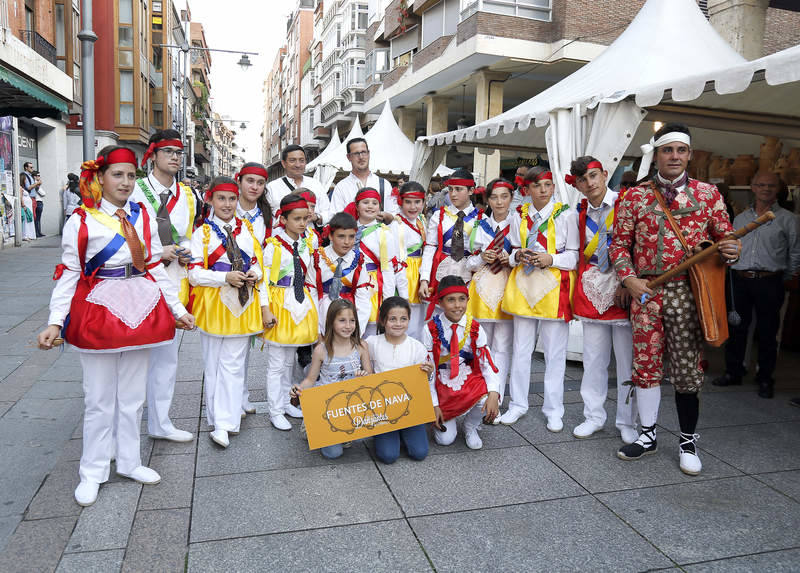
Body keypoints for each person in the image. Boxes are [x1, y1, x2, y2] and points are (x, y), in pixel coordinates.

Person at [37, 146, 194, 507]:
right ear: (100, 178)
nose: (125, 182)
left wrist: (176, 308)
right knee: (98, 400)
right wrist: (55, 321)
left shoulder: (142, 216)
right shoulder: (81, 219)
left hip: (140, 307)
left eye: (130, 175)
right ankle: (92, 471)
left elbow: (154, 265)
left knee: (133, 397)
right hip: (99, 308)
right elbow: (69, 273)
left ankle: (129, 461)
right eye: (117, 175)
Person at [610, 122, 741, 476]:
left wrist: (731, 249)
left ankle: (687, 442)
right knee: (646, 366)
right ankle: (648, 434)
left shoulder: (708, 194)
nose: (674, 156)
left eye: (681, 150)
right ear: (656, 154)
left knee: (687, 369)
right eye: (668, 150)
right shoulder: (635, 196)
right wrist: (629, 279)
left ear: (689, 155)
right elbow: (619, 244)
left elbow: (725, 238)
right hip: (646, 294)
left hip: (688, 292)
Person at [189, 177, 267, 448]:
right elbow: (194, 274)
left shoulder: (245, 228)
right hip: (214, 305)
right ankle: (217, 420)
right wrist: (224, 279)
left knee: (234, 366)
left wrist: (252, 274)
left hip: (242, 303)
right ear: (209, 199)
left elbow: (258, 262)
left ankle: (229, 420)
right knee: (213, 365)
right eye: (221, 198)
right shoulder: (202, 234)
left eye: (232, 199)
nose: (227, 204)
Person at [499, 166, 578, 431]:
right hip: (523, 285)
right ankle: (517, 404)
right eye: (537, 186)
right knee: (521, 350)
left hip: (554, 288)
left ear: (553, 187)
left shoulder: (566, 215)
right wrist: (516, 256)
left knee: (555, 353)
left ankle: (554, 409)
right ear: (527, 189)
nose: (543, 190)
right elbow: (509, 252)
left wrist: (552, 258)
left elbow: (575, 255)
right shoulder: (517, 215)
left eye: (547, 185)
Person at [132, 129, 196, 443]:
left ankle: (160, 422)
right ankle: (127, 427)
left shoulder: (186, 193)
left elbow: (189, 235)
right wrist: (159, 252)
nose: (174, 157)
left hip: (175, 280)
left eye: (178, 152)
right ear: (153, 154)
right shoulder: (136, 190)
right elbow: (126, 238)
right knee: (135, 357)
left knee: (168, 357)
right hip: (140, 280)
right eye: (168, 151)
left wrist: (187, 253)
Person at [566, 157, 637, 443]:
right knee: (593, 359)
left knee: (626, 360)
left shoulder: (626, 204)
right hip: (592, 286)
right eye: (583, 179)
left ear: (605, 174)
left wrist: (626, 281)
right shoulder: (578, 211)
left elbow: (636, 245)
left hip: (622, 286)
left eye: (594, 176)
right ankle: (593, 415)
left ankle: (627, 420)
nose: (590, 183)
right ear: (578, 185)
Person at [713, 170, 800, 398]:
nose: (766, 189)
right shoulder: (741, 218)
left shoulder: (789, 220)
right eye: (761, 185)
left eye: (771, 186)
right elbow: (730, 246)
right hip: (741, 279)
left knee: (768, 332)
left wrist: (787, 275)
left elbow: (795, 252)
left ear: (779, 190)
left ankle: (765, 378)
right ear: (753, 188)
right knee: (736, 328)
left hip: (770, 280)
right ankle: (734, 372)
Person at [261, 194, 320, 431]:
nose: (302, 223)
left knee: (288, 360)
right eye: (297, 219)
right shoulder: (273, 246)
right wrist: (265, 309)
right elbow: (264, 281)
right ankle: (274, 409)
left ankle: (286, 402)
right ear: (283, 219)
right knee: (276, 362)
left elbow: (311, 275)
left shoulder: (308, 242)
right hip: (279, 302)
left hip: (300, 302)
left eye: (306, 218)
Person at [423, 276, 501, 449]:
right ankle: (443, 415)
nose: (457, 305)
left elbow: (486, 363)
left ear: (467, 300)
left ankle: (470, 426)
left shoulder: (474, 328)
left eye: (461, 299)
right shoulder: (430, 329)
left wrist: (494, 392)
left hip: (466, 378)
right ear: (440, 303)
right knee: (445, 440)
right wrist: (433, 404)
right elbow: (428, 371)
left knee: (489, 396)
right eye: (451, 300)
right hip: (441, 382)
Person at [290, 299, 372, 459]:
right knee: (333, 453)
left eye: (352, 320)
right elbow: (310, 380)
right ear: (331, 322)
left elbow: (370, 376)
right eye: (342, 320)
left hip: (351, 403)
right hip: (328, 404)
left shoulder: (361, 346)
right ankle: (312, 426)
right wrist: (299, 389)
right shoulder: (322, 350)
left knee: (359, 437)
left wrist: (364, 377)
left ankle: (341, 432)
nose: (348, 325)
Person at [466, 178, 517, 418]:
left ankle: (497, 397)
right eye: (494, 197)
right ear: (487, 200)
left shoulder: (519, 223)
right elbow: (469, 262)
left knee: (503, 347)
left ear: (511, 198)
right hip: (482, 289)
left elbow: (523, 254)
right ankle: (479, 394)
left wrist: (513, 257)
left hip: (507, 286)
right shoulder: (479, 225)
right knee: (480, 344)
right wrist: (481, 258)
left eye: (504, 196)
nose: (499, 202)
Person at [368, 297, 433, 464]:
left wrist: (428, 373)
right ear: (383, 321)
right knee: (388, 456)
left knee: (419, 453)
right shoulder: (371, 343)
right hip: (382, 410)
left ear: (409, 320)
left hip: (409, 408)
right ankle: (385, 434)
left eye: (403, 319)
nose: (398, 323)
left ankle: (404, 433)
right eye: (392, 319)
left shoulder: (416, 347)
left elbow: (424, 383)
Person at [235, 162, 272, 415]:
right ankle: (230, 400)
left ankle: (242, 395)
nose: (254, 187)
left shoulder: (266, 215)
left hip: (255, 281)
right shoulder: (226, 207)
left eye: (260, 183)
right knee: (230, 348)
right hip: (228, 281)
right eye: (250, 181)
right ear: (239, 181)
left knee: (245, 346)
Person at [419, 168, 483, 306]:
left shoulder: (482, 218)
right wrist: (424, 279)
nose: (453, 194)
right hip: (441, 271)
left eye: (459, 189)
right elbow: (430, 247)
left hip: (468, 272)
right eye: (451, 189)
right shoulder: (439, 215)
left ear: (471, 191)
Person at [352, 187, 406, 337]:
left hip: (373, 285)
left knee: (370, 329)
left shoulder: (384, 232)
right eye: (365, 202)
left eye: (375, 203)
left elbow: (387, 268)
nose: (370, 206)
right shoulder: (348, 228)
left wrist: (387, 300)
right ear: (356, 206)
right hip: (350, 282)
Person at [311, 212, 372, 334]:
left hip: (349, 316)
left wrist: (356, 331)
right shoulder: (317, 258)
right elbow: (311, 294)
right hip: (323, 314)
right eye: (341, 236)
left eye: (351, 236)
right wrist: (317, 331)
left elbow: (363, 298)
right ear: (330, 236)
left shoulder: (359, 260)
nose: (347, 242)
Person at [390, 181, 427, 340]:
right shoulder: (396, 224)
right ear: (400, 202)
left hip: (421, 272)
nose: (413, 207)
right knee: (407, 319)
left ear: (424, 202)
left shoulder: (422, 220)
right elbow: (397, 258)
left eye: (417, 202)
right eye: (408, 202)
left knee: (421, 322)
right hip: (406, 274)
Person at [330, 138, 397, 219]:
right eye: (356, 153)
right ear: (348, 157)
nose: (361, 157)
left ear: (368, 154)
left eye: (363, 152)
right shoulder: (341, 187)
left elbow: (394, 214)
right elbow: (336, 218)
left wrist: (385, 216)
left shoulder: (383, 184)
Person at [266, 144, 331, 225]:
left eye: (301, 160)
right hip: (282, 236)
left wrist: (316, 217)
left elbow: (328, 212)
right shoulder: (272, 187)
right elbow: (266, 216)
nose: (298, 165)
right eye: (292, 160)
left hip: (312, 235)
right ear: (283, 163)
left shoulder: (315, 184)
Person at [30, 171, 46, 237]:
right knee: (37, 218)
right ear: (34, 176)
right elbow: (43, 193)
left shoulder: (35, 184)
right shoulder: (35, 184)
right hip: (38, 202)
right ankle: (37, 232)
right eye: (38, 175)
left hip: (37, 201)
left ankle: (38, 232)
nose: (39, 177)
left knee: (37, 219)